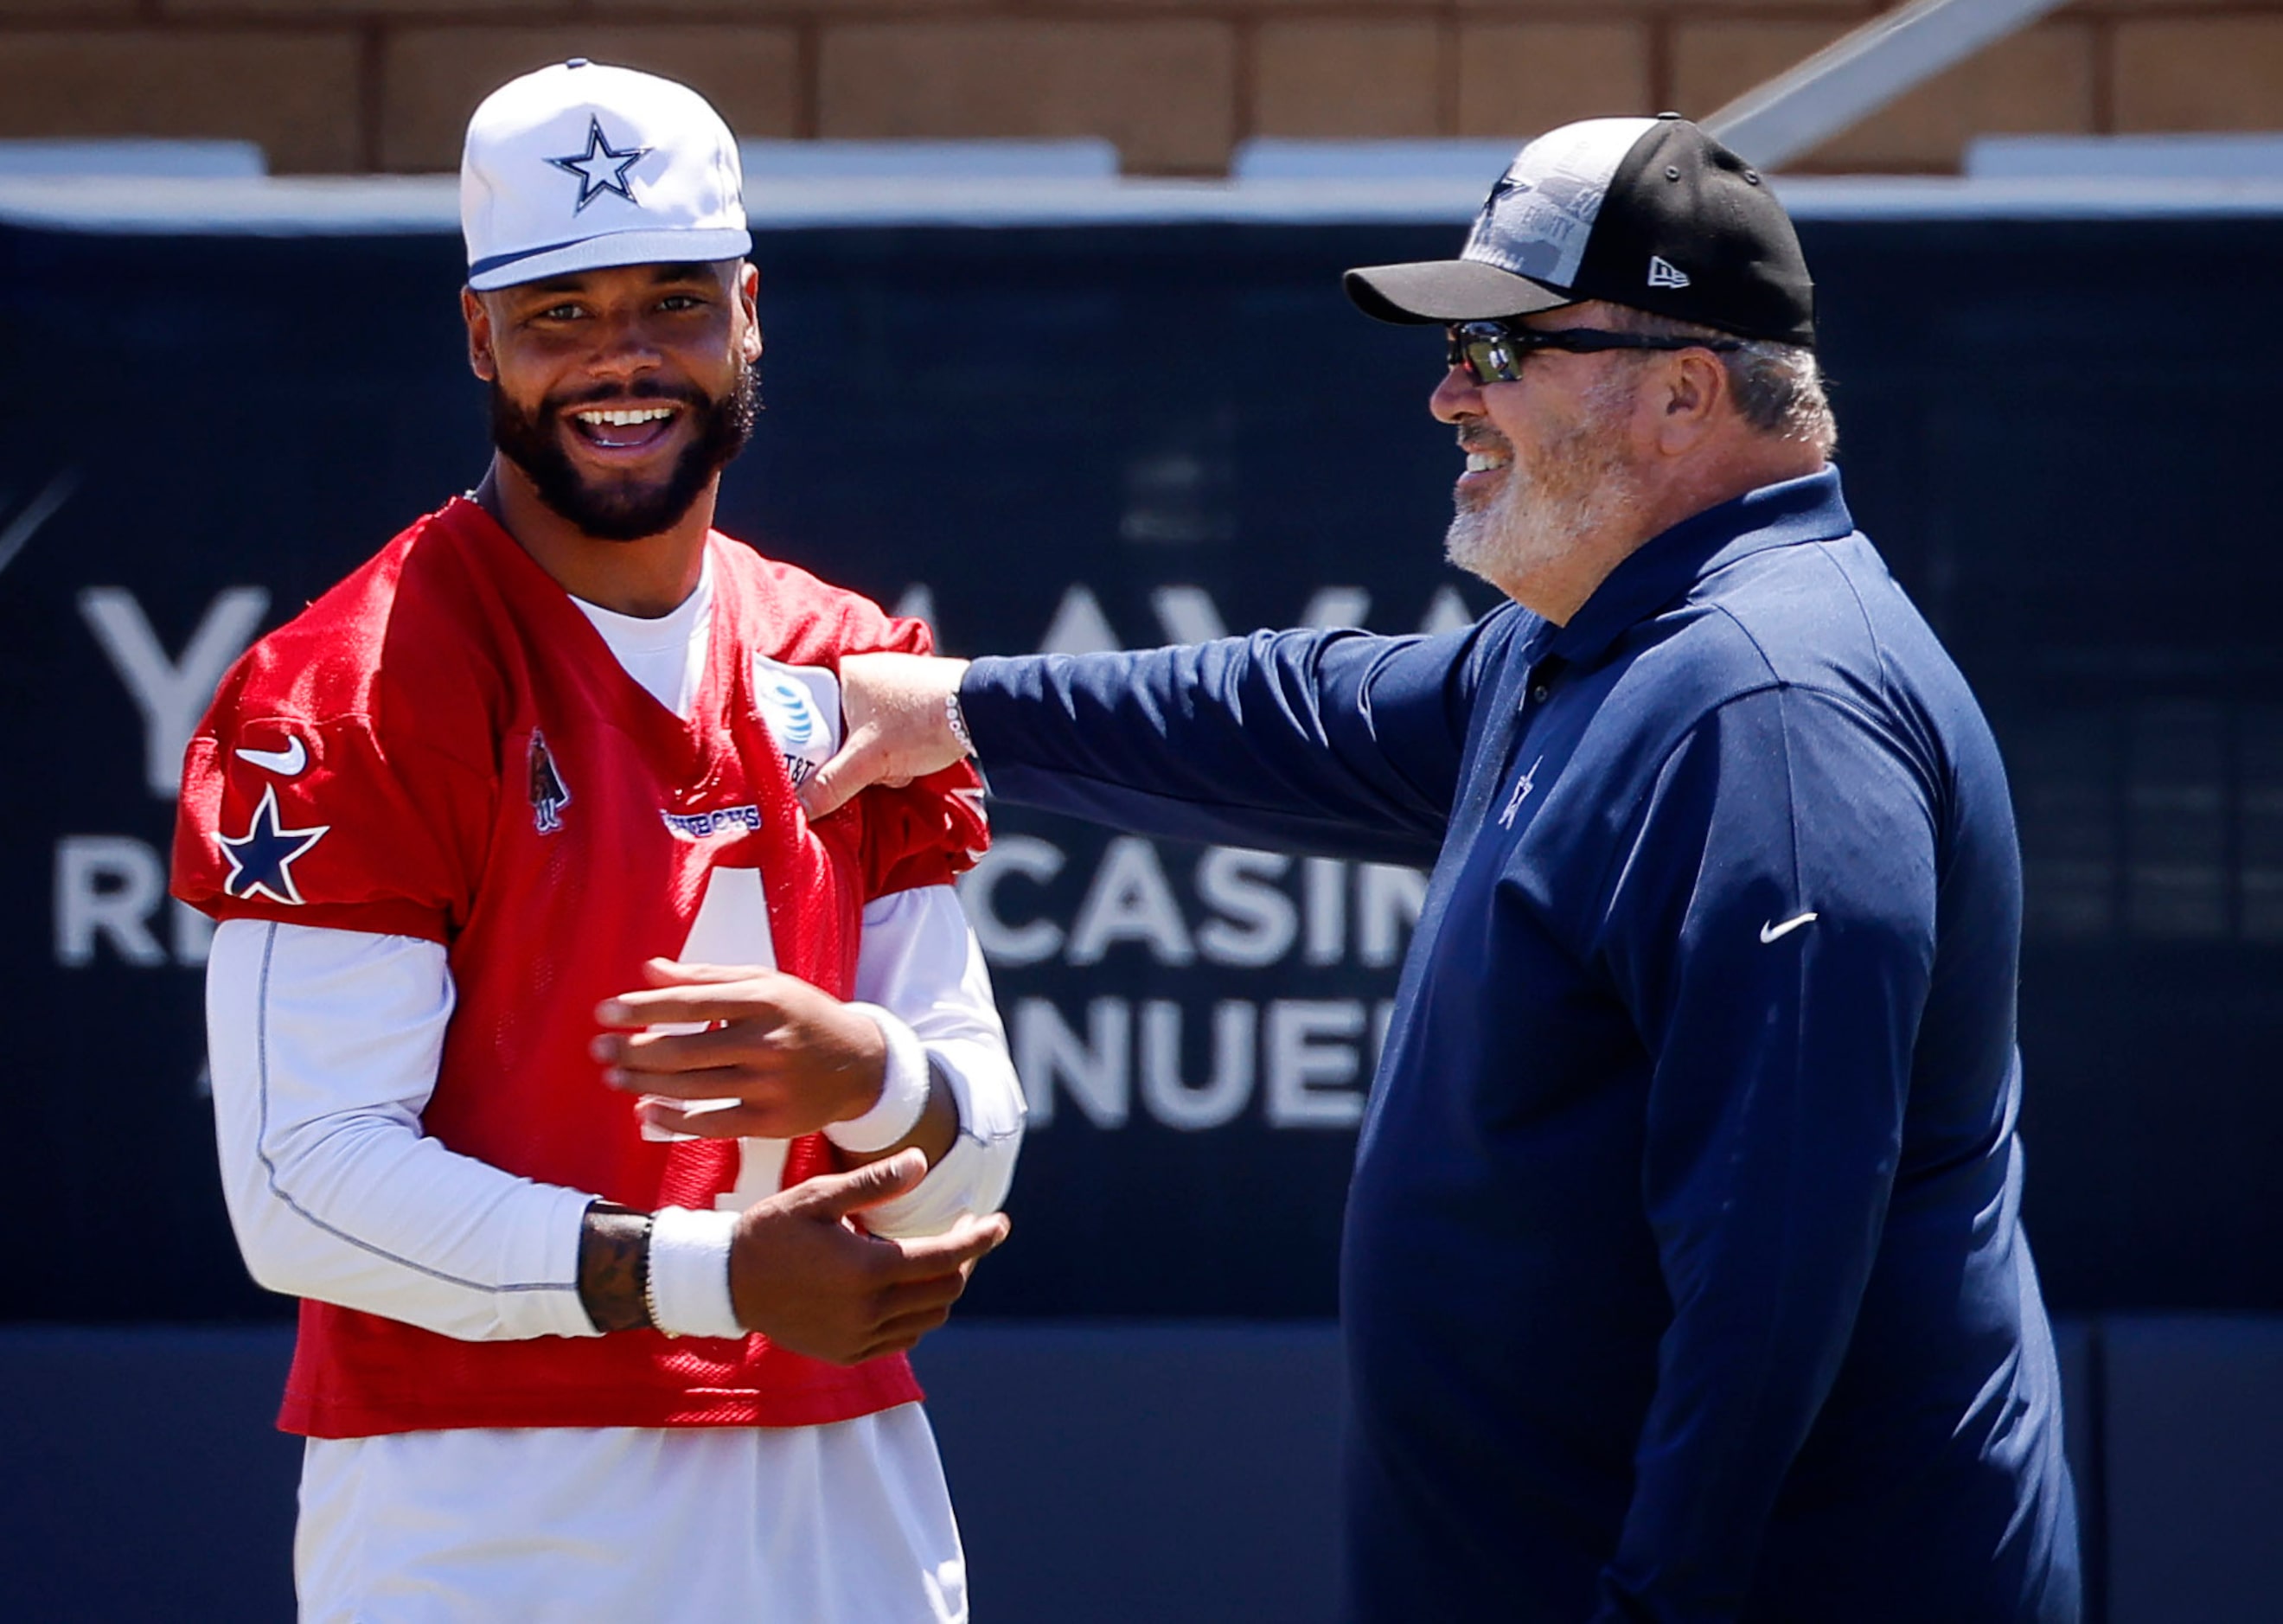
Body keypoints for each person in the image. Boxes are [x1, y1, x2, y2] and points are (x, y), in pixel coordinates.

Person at [799, 115, 2081, 1622]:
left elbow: (1775, 1276)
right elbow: (1298, 707)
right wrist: (953, 709)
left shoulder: (1771, 709)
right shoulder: (1603, 645)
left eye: (1498, 345)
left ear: (1683, 391)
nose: (1448, 391)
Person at [170, 61, 1023, 1623]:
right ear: (480, 334)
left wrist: (872, 1079)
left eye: (674, 303)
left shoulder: (841, 661)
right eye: (560, 312)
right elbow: (298, 1186)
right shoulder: (357, 682)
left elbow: (970, 1146)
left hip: (841, 1496)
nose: (623, 358)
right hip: (479, 1515)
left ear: (749, 312)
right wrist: (707, 1272)